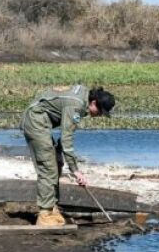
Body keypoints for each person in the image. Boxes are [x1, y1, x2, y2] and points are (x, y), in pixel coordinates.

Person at [21, 84, 115, 227]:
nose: (100, 115)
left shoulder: (84, 97)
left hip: (44, 121)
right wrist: (75, 170)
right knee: (48, 168)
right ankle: (45, 215)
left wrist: (58, 152)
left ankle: (52, 207)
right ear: (94, 102)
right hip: (35, 121)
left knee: (56, 164)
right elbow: (67, 139)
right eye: (100, 111)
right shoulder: (76, 106)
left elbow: (64, 131)